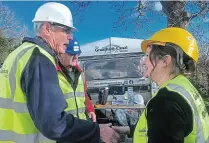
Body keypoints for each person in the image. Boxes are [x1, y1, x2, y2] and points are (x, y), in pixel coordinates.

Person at [0, 2, 116, 143]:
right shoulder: (39, 58)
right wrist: (97, 131)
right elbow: (54, 124)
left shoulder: (18, 54)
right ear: (47, 28)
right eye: (66, 30)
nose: (70, 37)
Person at [112, 27, 209, 143]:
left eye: (147, 56)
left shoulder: (165, 101)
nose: (143, 61)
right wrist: (129, 130)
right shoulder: (183, 88)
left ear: (165, 61)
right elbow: (170, 129)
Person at [57, 38, 96, 122]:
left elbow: (84, 95)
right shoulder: (53, 74)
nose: (76, 57)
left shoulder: (80, 74)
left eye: (78, 54)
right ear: (60, 54)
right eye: (71, 54)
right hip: (64, 127)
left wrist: (90, 110)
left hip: (82, 123)